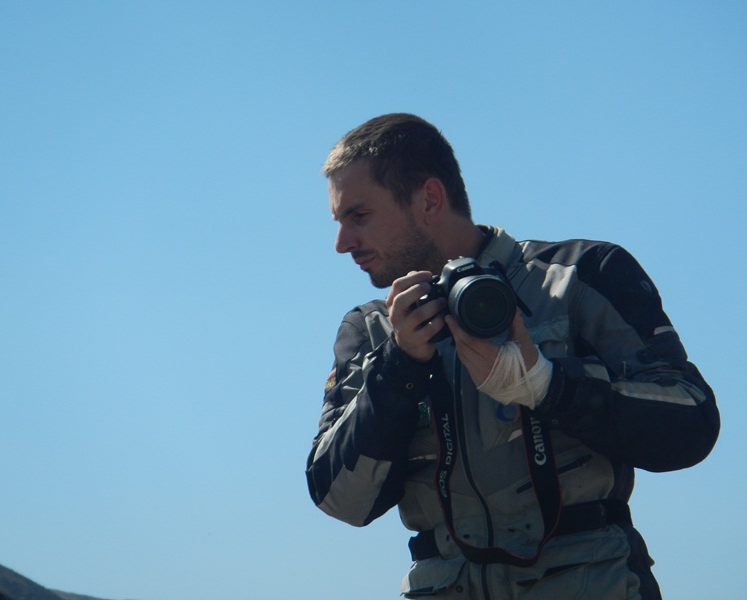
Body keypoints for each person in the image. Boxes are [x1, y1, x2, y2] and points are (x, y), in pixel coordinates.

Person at [305, 113, 720, 599]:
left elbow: (692, 424)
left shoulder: (580, 276)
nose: (342, 244)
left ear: (430, 199)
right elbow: (340, 500)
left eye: (358, 216)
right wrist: (400, 365)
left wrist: (547, 385)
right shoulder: (369, 331)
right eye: (339, 222)